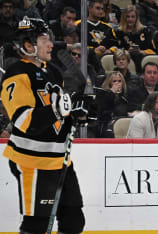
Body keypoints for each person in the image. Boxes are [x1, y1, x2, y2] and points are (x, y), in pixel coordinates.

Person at [0, 17, 87, 234]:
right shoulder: (17, 74)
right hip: (33, 160)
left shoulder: (54, 71)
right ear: (28, 45)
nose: (51, 44)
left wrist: (75, 113)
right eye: (44, 39)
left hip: (60, 159)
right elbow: (23, 121)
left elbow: (60, 111)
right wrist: (58, 110)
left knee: (74, 221)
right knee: (37, 225)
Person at [116, 5, 156, 73]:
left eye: (133, 17)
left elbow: (153, 51)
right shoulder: (118, 32)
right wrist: (126, 52)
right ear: (123, 18)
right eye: (127, 16)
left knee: (137, 55)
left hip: (142, 57)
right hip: (124, 59)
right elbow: (116, 50)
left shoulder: (145, 30)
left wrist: (142, 52)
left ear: (137, 18)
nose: (130, 19)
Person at [95, 71, 129, 138]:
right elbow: (102, 111)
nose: (117, 83)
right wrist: (111, 93)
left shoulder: (124, 99)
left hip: (121, 126)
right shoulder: (102, 96)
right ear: (109, 83)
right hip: (105, 128)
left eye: (119, 81)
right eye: (114, 81)